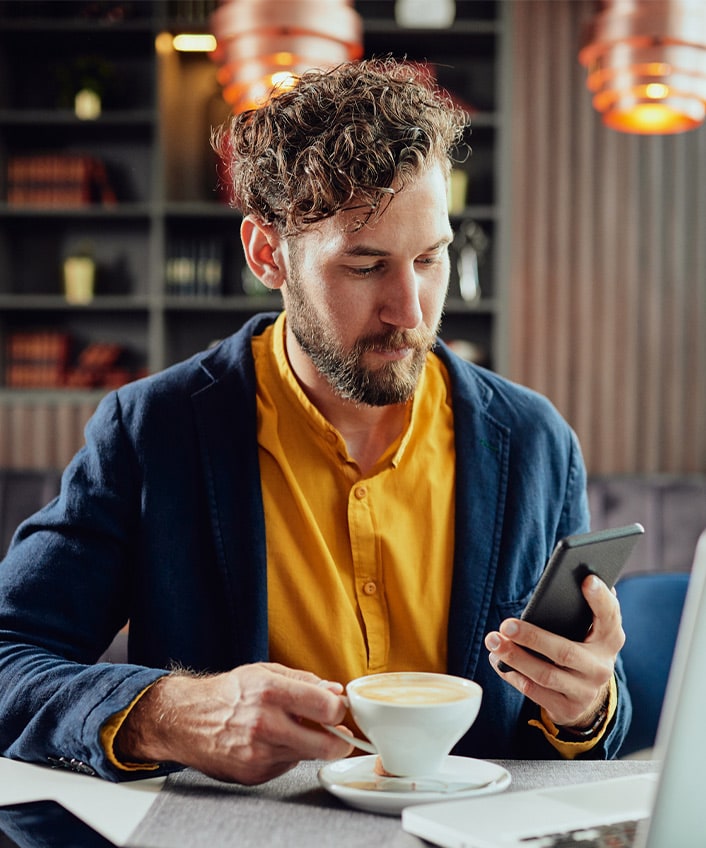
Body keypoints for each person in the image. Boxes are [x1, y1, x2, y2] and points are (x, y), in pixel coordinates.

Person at [0, 58, 629, 785]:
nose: (412, 311)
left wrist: (587, 707)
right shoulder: (151, 434)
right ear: (268, 253)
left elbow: (586, 725)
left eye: (430, 259)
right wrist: (173, 713)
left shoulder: (537, 442)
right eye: (365, 267)